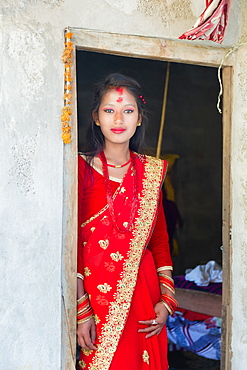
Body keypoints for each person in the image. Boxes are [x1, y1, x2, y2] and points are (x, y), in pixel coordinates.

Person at [77, 73, 177, 370]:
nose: (118, 119)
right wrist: (81, 310)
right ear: (96, 117)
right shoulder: (77, 169)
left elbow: (158, 239)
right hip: (95, 301)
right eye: (109, 110)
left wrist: (167, 300)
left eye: (128, 111)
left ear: (140, 118)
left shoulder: (150, 173)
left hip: (144, 297)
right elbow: (67, 243)